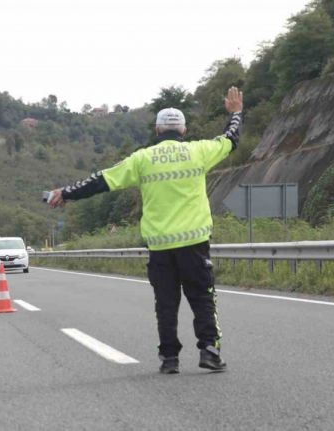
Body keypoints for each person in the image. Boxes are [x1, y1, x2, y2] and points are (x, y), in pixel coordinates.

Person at [48, 87, 243, 374]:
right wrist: (235, 112)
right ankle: (210, 351)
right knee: (203, 298)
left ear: (157, 130)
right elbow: (230, 139)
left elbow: (102, 180)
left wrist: (66, 192)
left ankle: (169, 359)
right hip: (194, 243)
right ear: (184, 130)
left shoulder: (142, 159)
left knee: (166, 304)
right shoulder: (198, 151)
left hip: (160, 246)